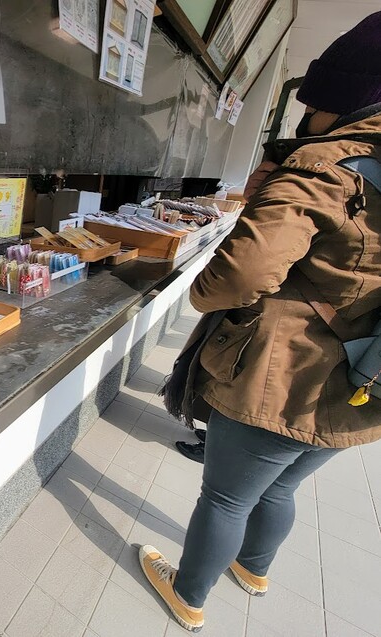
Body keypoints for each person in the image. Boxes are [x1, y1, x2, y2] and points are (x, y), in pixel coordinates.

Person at [140, 13, 381, 632]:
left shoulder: (330, 167)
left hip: (292, 373)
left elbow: (244, 273)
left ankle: (187, 594)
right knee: (279, 489)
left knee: (227, 495)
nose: (306, 114)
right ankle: (253, 568)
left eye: (313, 101)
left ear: (347, 99)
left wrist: (202, 295)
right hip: (365, 381)